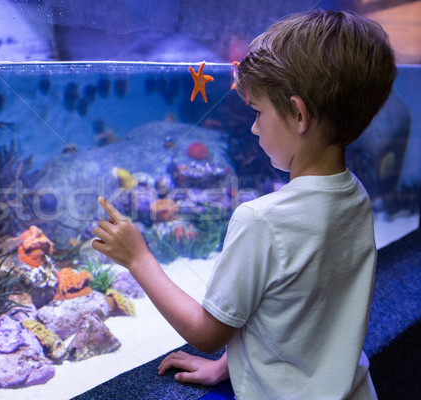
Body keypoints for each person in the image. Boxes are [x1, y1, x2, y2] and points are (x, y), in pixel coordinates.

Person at [92, 9, 396, 399]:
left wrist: (138, 258)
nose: (253, 127)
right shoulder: (356, 197)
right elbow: (302, 313)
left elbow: (207, 331)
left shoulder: (261, 220)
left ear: (298, 114)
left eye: (258, 112)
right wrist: (229, 364)